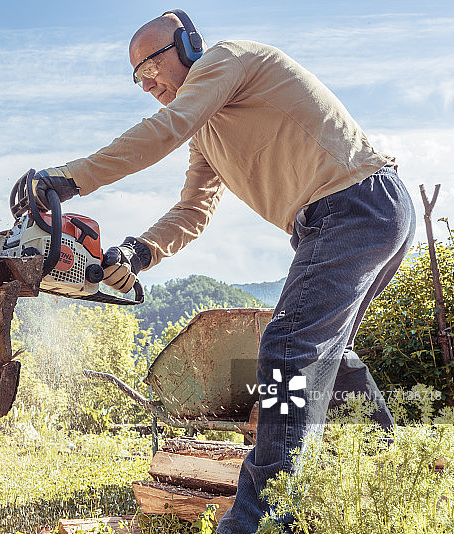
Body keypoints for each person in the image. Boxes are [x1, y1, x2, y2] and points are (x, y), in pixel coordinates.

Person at [29, 9, 416, 533]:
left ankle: (260, 519)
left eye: (150, 66)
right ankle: (386, 457)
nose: (146, 84)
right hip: (349, 217)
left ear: (187, 45)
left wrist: (69, 178)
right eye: (136, 78)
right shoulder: (208, 131)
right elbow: (194, 210)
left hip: (354, 205)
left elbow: (165, 128)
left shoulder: (229, 60)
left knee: (286, 351)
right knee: (324, 352)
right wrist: (138, 253)